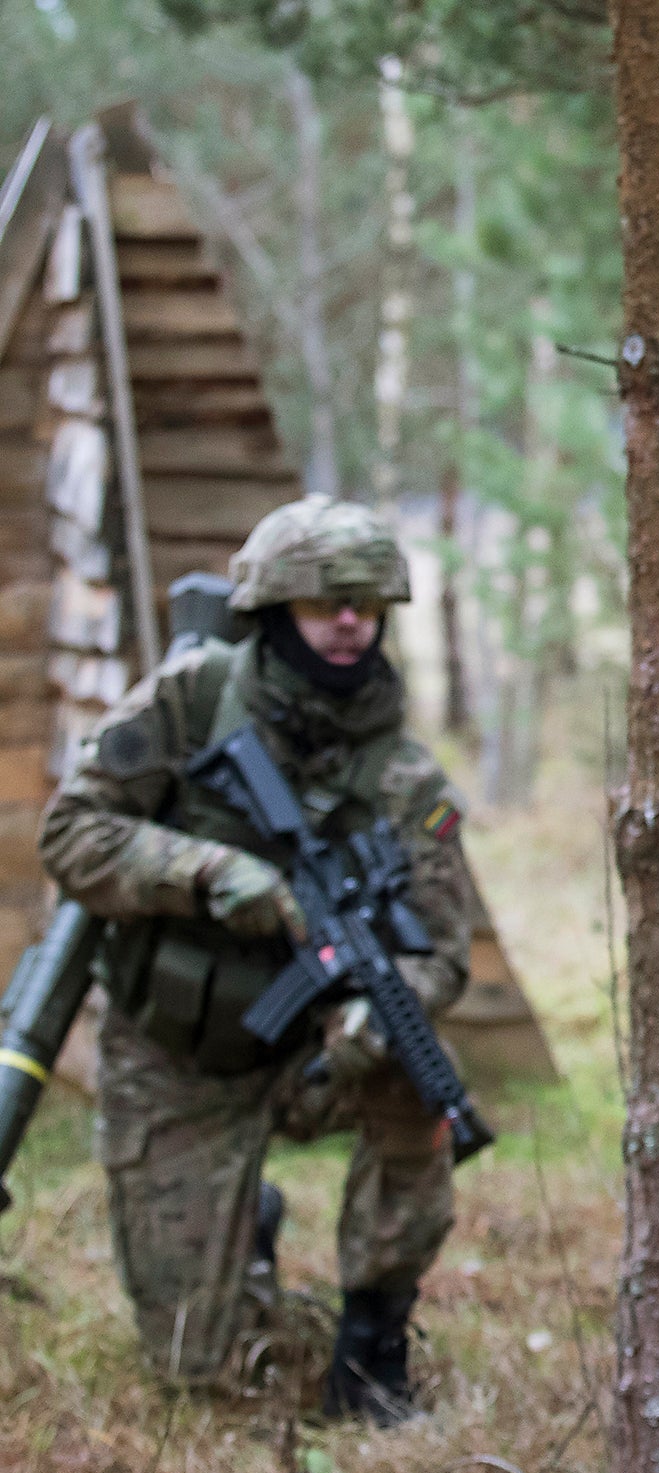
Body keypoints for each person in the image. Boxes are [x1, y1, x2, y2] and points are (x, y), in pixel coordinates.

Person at [38, 497, 474, 1423]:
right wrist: (204, 872)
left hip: (311, 1060)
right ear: (274, 612)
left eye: (366, 604)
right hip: (175, 1057)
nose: (351, 622)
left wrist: (376, 1009)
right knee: (200, 1373)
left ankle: (373, 1343)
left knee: (414, 1070)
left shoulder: (406, 779)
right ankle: (249, 1229)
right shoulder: (191, 701)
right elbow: (70, 834)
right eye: (327, 605)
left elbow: (444, 954)